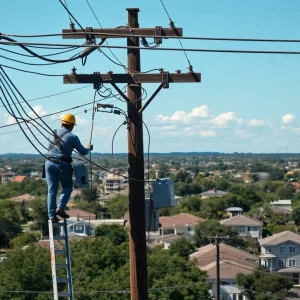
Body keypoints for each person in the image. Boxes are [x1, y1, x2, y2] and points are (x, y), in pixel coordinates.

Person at [45, 113, 93, 222]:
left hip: (48, 163)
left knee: (52, 190)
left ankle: (51, 216)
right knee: (67, 187)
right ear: (71, 125)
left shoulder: (51, 133)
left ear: (62, 123)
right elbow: (83, 152)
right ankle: (60, 207)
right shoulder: (72, 137)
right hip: (62, 165)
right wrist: (89, 148)